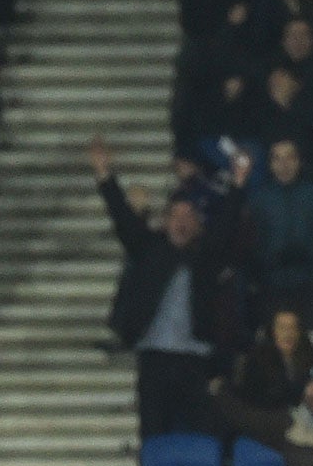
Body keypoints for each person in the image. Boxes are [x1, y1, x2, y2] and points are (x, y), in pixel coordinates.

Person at [91, 134, 246, 439]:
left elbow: (227, 224)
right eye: (175, 216)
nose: (182, 222)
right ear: (165, 220)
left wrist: (238, 185)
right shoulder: (149, 248)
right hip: (154, 357)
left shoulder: (206, 256)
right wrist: (104, 176)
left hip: (194, 358)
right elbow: (123, 218)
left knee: (202, 435)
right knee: (152, 433)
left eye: (189, 217)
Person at [247, 140, 313, 301]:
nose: (284, 165)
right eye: (277, 159)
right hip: (270, 282)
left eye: (290, 158)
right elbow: (254, 245)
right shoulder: (259, 200)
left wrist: (301, 256)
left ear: (299, 161)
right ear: (270, 164)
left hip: (309, 282)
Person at [231, 307, 313, 411]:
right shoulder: (258, 359)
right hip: (270, 417)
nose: (288, 333)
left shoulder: (308, 352)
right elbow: (262, 399)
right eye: (283, 328)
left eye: (293, 327)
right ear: (273, 331)